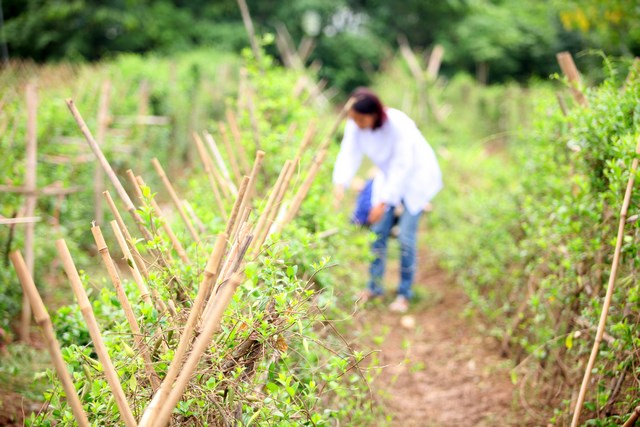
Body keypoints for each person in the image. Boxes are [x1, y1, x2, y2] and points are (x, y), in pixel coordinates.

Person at [332, 88, 443, 313]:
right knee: (377, 232)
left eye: (361, 118)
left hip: (415, 179)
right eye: (353, 119)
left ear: (374, 114)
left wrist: (383, 203)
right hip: (388, 177)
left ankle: (404, 294)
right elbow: (348, 153)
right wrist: (340, 183)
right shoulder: (355, 125)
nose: (356, 123)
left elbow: (403, 165)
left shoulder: (399, 125)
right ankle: (374, 288)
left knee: (406, 237)